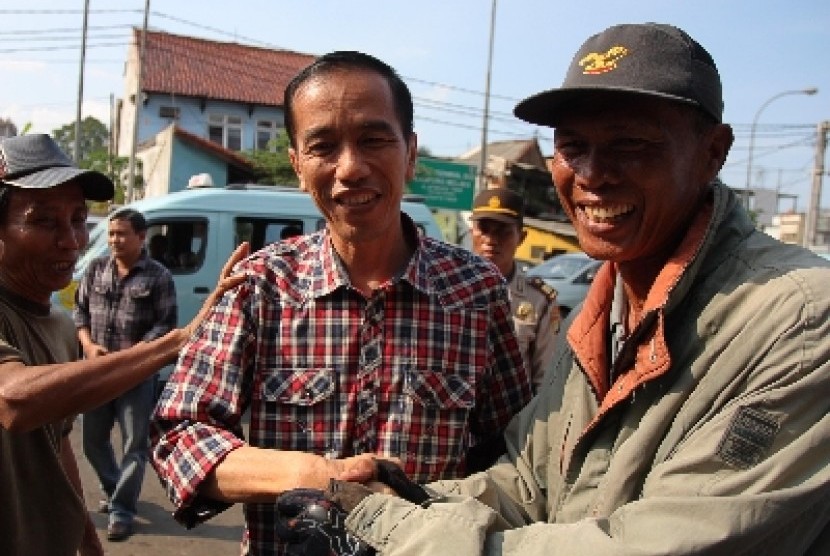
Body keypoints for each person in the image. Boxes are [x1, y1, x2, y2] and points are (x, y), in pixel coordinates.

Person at [297, 23, 830, 555]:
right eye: (572, 146)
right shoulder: (598, 318)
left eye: (630, 143)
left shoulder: (800, 319)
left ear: (714, 151)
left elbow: (666, 542)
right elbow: (529, 483)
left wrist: (397, 527)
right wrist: (404, 498)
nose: (593, 174)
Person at [149, 50, 533, 555]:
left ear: (410, 152)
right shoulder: (261, 286)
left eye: (374, 140)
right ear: (297, 165)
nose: (350, 168)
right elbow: (181, 438)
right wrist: (318, 475)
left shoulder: (477, 292)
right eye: (323, 146)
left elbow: (514, 459)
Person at [0, 133, 247, 556]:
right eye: (43, 221)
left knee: (133, 446)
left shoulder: (56, 324)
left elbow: (56, 444)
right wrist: (177, 343)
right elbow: (15, 402)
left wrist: (86, 539)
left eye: (78, 219)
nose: (72, 240)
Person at [74, 208, 178, 541]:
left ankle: (121, 510)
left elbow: (165, 324)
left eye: (122, 234)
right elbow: (80, 313)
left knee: (135, 446)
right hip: (98, 373)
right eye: (111, 234)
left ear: (141, 237)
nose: (114, 240)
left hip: (135, 376)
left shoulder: (159, 276)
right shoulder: (95, 269)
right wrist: (89, 347)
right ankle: (116, 487)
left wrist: (135, 355)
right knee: (92, 441)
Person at [469, 188, 560, 389]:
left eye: (503, 231)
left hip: (514, 417)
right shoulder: (447, 289)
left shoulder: (539, 300)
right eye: (484, 229)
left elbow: (545, 378)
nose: (491, 240)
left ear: (522, 237)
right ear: (471, 232)